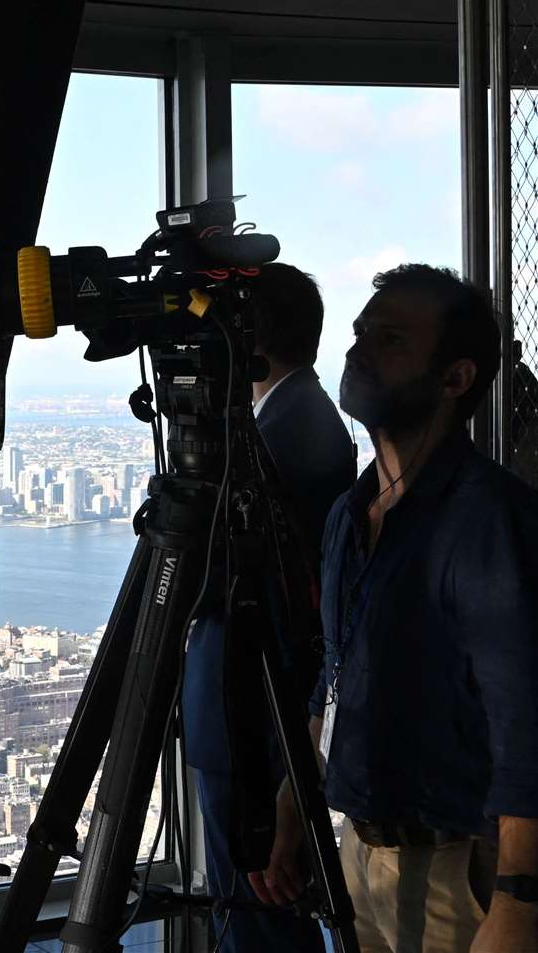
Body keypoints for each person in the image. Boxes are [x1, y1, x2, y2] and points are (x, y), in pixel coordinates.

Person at [249, 263, 538, 953]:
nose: (357, 349)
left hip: (459, 873)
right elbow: (336, 669)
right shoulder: (352, 514)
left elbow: (527, 725)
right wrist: (297, 798)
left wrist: (518, 904)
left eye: (390, 339)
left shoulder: (489, 523)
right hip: (363, 858)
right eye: (359, 333)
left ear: (454, 377)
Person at [180, 262, 355, 951]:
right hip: (254, 708)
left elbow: (216, 576)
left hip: (251, 710)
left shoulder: (283, 434)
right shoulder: (298, 417)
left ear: (243, 337)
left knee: (254, 913)